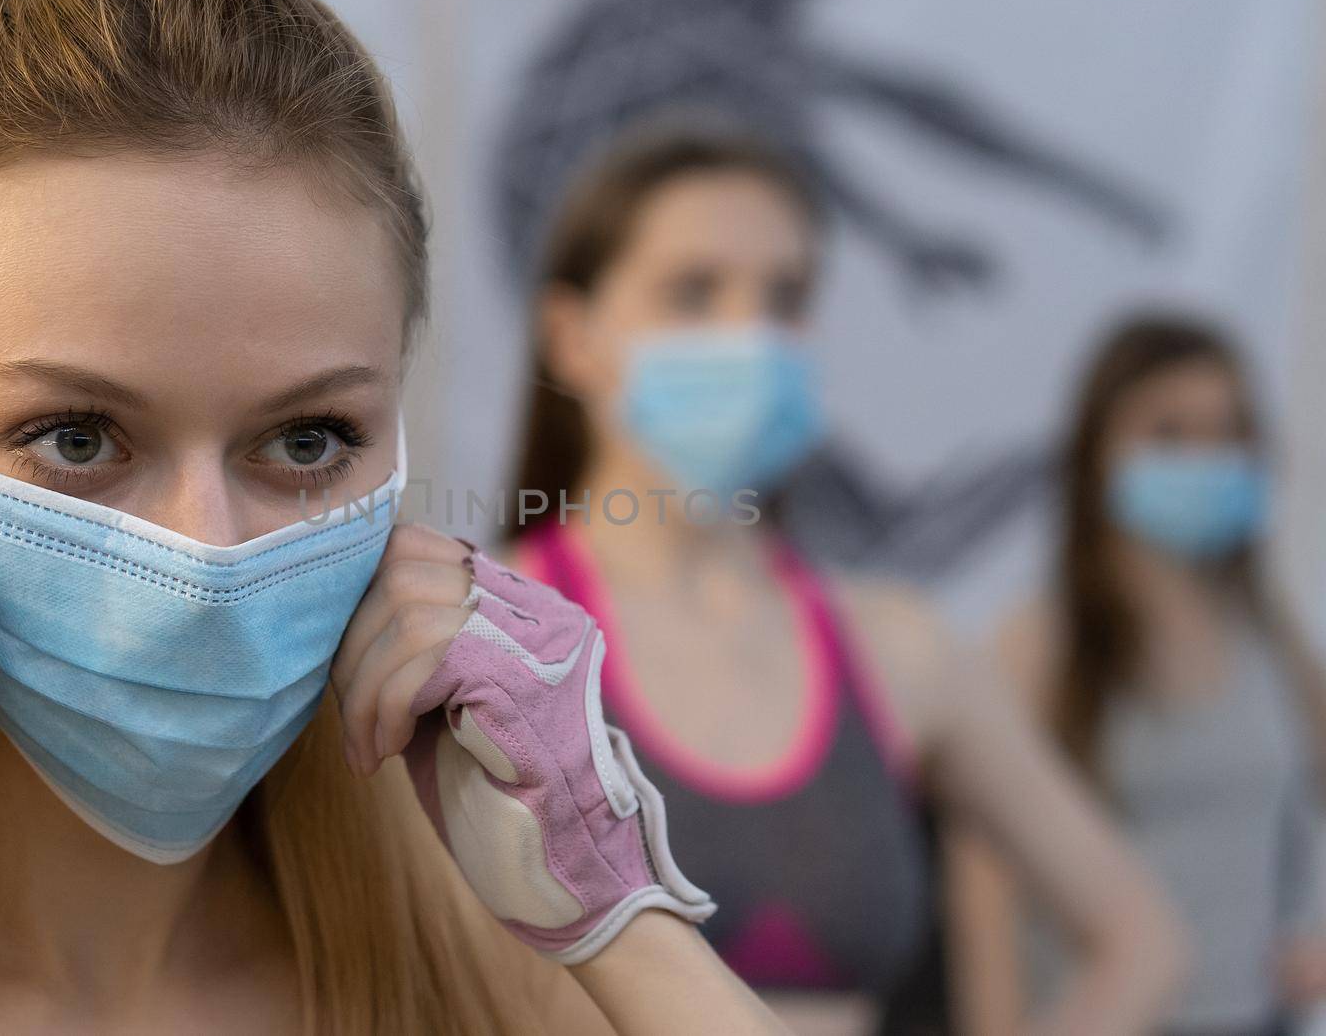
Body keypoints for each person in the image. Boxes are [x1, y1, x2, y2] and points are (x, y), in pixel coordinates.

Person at [0, 0, 789, 1033]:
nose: (207, 554)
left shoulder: (483, 982)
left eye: (304, 439)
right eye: (77, 437)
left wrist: (624, 923)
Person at [502, 128, 1187, 1035]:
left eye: (785, 296)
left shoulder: (896, 642)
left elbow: (1142, 939)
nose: (748, 333)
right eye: (693, 292)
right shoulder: (492, 639)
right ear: (572, 336)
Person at [949, 315, 1326, 1036]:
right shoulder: (1039, 643)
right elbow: (983, 879)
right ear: (1098, 452)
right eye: (1169, 434)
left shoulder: (1269, 631)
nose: (1204, 458)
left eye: (1228, 432)